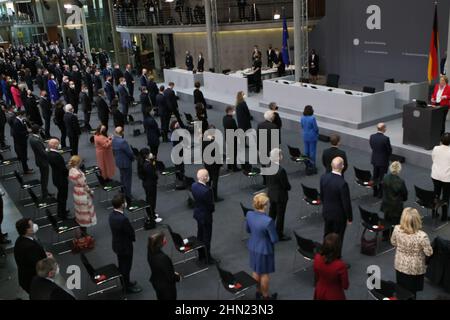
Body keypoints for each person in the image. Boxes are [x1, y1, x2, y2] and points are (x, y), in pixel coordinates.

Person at [391, 208, 433, 299]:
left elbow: (393, 243)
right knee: (412, 292)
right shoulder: (422, 236)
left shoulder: (396, 229)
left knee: (401, 289)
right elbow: (429, 252)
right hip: (415, 268)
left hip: (400, 264)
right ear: (417, 219)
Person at [246, 192, 278, 300]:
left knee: (256, 271)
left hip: (252, 246)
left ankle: (258, 293)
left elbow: (248, 230)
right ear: (265, 205)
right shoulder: (268, 221)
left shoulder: (249, 214)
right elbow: (274, 239)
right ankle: (265, 297)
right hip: (264, 250)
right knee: (264, 274)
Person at [109, 194, 142, 294]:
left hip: (117, 245)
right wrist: (133, 238)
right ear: (122, 204)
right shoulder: (123, 219)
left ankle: (126, 282)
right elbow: (130, 232)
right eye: (124, 201)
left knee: (122, 265)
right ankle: (126, 287)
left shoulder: (112, 215)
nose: (126, 203)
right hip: (125, 247)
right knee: (126, 267)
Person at [320, 157, 352, 253]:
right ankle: (336, 258)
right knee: (338, 238)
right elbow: (346, 203)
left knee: (327, 234)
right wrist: (349, 218)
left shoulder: (323, 177)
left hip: (326, 211)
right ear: (342, 166)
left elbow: (322, 195)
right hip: (339, 216)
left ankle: (325, 254)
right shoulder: (342, 183)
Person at [13, 218, 48, 294]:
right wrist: (48, 259)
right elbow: (39, 265)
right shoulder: (29, 247)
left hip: (26, 279)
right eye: (32, 225)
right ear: (27, 230)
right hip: (33, 282)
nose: (34, 226)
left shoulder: (21, 239)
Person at [191, 169, 218, 264]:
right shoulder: (207, 191)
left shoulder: (193, 185)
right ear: (205, 178)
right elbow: (210, 206)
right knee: (207, 238)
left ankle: (201, 254)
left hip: (198, 214)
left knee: (200, 235)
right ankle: (208, 258)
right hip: (206, 217)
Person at [313, 233, 349, 300]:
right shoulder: (340, 266)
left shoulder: (317, 258)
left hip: (320, 291)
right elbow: (345, 286)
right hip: (334, 294)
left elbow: (316, 275)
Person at [68, 155, 97, 235]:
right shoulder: (78, 174)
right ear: (78, 162)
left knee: (80, 211)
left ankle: (82, 229)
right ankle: (84, 232)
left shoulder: (71, 170)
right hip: (82, 193)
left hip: (77, 191)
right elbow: (84, 185)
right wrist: (91, 192)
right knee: (85, 212)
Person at [266, 148, 291, 241]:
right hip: (280, 196)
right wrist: (289, 187)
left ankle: (269, 229)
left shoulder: (268, 165)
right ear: (279, 157)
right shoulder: (281, 170)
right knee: (280, 215)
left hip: (271, 193)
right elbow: (286, 185)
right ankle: (279, 234)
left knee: (272, 212)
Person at [147, 232, 180, 300]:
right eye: (164, 239)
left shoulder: (150, 251)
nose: (165, 240)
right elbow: (170, 276)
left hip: (156, 281)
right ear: (160, 242)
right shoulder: (163, 258)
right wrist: (178, 277)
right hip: (166, 287)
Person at [381, 161, 408, 240]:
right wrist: (403, 199)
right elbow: (404, 194)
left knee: (386, 220)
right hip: (396, 206)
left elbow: (383, 188)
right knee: (396, 222)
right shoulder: (400, 181)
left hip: (386, 203)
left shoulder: (385, 177)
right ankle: (394, 237)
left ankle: (385, 235)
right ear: (399, 170)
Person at [137, 148, 162, 226]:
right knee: (151, 200)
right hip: (150, 184)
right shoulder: (147, 165)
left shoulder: (142, 162)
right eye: (149, 153)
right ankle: (152, 216)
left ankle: (152, 213)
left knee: (149, 199)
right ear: (146, 155)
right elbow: (153, 174)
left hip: (146, 183)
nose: (150, 154)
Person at [47, 139, 69, 220]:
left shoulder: (50, 153)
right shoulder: (56, 156)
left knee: (61, 196)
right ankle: (62, 214)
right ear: (54, 145)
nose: (59, 144)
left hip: (56, 178)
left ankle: (61, 211)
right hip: (61, 179)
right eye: (58, 143)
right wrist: (69, 172)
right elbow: (63, 169)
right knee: (63, 197)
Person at [112, 126, 135, 203]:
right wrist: (132, 158)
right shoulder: (122, 141)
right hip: (126, 163)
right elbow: (129, 153)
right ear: (122, 132)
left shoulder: (113, 140)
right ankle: (128, 196)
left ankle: (123, 191)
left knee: (122, 177)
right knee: (127, 180)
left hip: (119, 161)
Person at [369, 123, 392, 198]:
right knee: (381, 177)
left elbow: (372, 147)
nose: (386, 129)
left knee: (375, 176)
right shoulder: (385, 138)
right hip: (383, 161)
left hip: (375, 159)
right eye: (385, 127)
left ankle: (375, 191)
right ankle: (380, 193)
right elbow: (389, 150)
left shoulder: (372, 136)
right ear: (383, 129)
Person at [431, 132, 450, 221]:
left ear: (441, 140)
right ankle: (444, 216)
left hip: (435, 175)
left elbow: (433, 159)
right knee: (446, 197)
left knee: (436, 194)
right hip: (447, 178)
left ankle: (434, 213)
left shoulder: (436, 148)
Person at [29, 125, 50, 199]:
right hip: (43, 162)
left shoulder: (32, 138)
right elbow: (43, 153)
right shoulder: (36, 140)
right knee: (45, 178)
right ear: (38, 131)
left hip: (39, 160)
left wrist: (44, 142)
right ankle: (45, 194)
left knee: (43, 177)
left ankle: (45, 191)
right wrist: (49, 150)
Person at [11, 110, 33, 174]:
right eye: (24, 116)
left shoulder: (20, 120)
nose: (25, 117)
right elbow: (18, 133)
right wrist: (27, 131)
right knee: (23, 156)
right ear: (21, 115)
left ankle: (26, 168)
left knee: (24, 156)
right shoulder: (17, 122)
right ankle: (26, 170)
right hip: (20, 142)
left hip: (22, 141)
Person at [301, 105, 319, 172]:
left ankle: (307, 163)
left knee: (306, 150)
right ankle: (312, 164)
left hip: (305, 135)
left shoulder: (302, 117)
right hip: (312, 136)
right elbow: (315, 128)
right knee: (312, 151)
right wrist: (317, 132)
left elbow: (302, 126)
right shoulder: (312, 118)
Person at [222, 106, 240, 172]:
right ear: (229, 111)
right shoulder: (232, 120)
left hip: (227, 137)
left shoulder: (224, 118)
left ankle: (229, 166)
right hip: (233, 138)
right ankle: (234, 168)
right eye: (233, 110)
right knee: (234, 153)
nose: (234, 112)